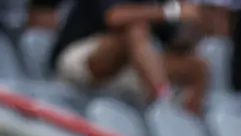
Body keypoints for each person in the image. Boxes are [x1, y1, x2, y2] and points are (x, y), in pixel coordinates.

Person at [51, 0, 209, 114]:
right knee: (135, 28)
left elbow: (174, 45)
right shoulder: (164, 9)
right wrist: (170, 12)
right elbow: (113, 17)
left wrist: (194, 25)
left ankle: (183, 133)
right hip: (82, 57)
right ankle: (163, 101)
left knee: (197, 67)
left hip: (129, 67)